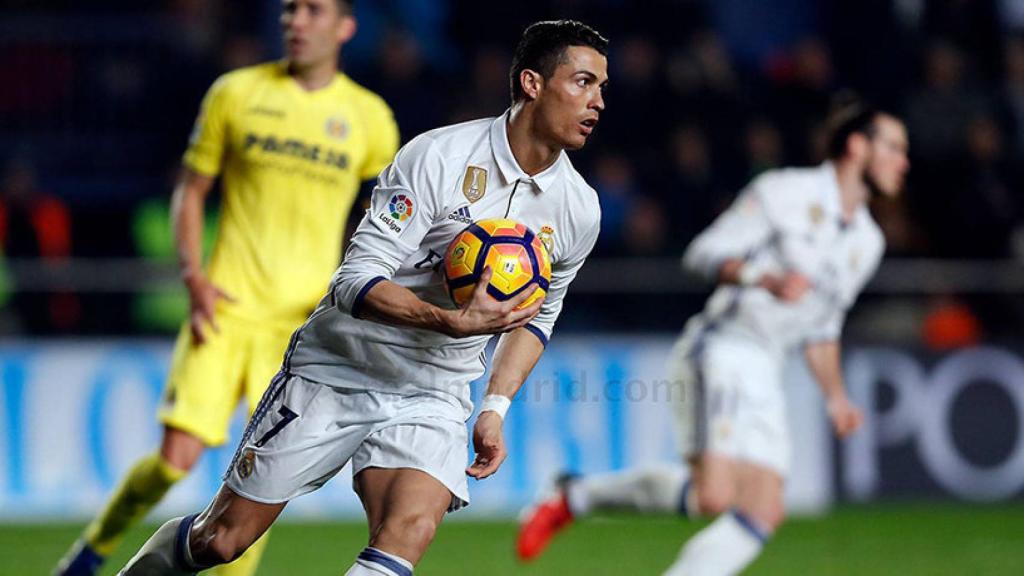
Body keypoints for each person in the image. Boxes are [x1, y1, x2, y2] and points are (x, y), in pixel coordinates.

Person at [115, 19, 607, 575]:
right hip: (340, 365)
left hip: (434, 388)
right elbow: (353, 281)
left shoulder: (578, 209)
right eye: (584, 82)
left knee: (409, 530)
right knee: (222, 540)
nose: (597, 102)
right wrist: (447, 321)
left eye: (601, 89)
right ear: (532, 83)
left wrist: (494, 407)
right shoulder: (437, 158)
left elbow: (536, 318)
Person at [56, 0, 399, 574]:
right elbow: (190, 190)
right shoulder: (236, 94)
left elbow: (383, 221)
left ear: (344, 28)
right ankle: (92, 549)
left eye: (313, 10)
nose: (296, 21)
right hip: (226, 308)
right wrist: (193, 277)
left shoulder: (370, 119)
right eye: (290, 10)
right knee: (173, 462)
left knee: (262, 475)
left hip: (302, 328)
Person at [517, 98, 910, 576]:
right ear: (856, 145)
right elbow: (702, 253)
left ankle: (574, 495)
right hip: (724, 347)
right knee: (715, 495)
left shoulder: (867, 242)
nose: (902, 161)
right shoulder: (784, 192)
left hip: (768, 366)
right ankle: (573, 495)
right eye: (892, 146)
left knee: (763, 509)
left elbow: (822, 327)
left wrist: (835, 396)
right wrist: (761, 277)